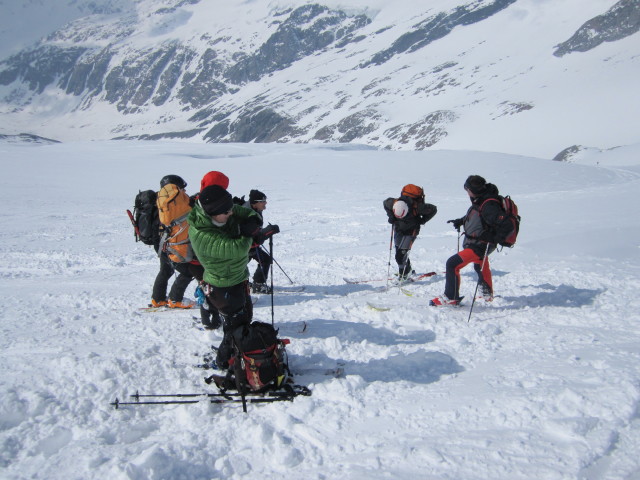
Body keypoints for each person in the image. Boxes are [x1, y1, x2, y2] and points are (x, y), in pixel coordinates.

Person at [188, 185, 278, 368]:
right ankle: (224, 361)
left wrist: (253, 222)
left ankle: (237, 352)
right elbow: (238, 249)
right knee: (234, 328)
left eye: (230, 209)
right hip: (224, 287)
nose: (231, 214)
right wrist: (250, 234)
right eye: (226, 212)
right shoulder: (203, 235)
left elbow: (244, 212)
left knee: (244, 319)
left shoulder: (219, 212)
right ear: (212, 213)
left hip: (237, 278)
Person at [430, 175, 502, 306]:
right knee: (480, 263)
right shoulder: (482, 200)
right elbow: (478, 216)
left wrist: (492, 235)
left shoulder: (489, 204)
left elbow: (499, 223)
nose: (467, 192)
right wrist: (461, 221)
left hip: (480, 245)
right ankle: (487, 294)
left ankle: (450, 297)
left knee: (452, 263)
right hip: (479, 243)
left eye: (467, 189)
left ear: (473, 189)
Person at [150, 174, 198, 309]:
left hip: (161, 242)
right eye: (182, 189)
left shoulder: (162, 202)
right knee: (188, 271)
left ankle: (158, 299)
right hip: (173, 243)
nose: (185, 192)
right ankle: (175, 299)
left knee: (165, 270)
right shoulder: (174, 203)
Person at [193, 170, 230, 330]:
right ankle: (212, 323)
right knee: (211, 289)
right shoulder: (211, 204)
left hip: (193, 256)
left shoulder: (195, 200)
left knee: (206, 287)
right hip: (206, 256)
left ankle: (211, 320)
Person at [383, 185, 437, 280]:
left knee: (400, 255)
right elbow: (385, 203)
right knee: (399, 251)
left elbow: (433, 209)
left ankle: (403, 275)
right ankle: (407, 269)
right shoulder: (392, 203)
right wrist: (391, 216)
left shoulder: (418, 207)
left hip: (411, 231)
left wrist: (422, 220)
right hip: (399, 229)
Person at [243, 189, 280, 294]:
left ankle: (258, 284)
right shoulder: (247, 214)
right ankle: (247, 286)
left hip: (251, 246)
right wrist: (267, 232)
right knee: (240, 267)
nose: (265, 203)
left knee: (266, 260)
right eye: (263, 201)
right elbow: (254, 236)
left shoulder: (255, 209)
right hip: (243, 247)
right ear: (256, 202)